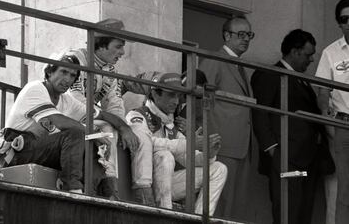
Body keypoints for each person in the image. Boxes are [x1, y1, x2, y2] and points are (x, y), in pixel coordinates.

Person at [0, 53, 136, 194]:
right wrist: (94, 134)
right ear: (50, 72)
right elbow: (59, 122)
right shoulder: (35, 88)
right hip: (20, 151)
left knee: (91, 145)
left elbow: (103, 114)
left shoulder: (67, 100)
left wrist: (124, 127)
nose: (67, 79)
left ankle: (95, 193)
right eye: (63, 72)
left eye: (72, 75)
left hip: (43, 150)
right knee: (76, 134)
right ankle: (73, 188)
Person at [251, 29, 334, 224]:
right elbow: (260, 113)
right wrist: (274, 152)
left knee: (303, 214)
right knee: (287, 212)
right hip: (287, 158)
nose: (311, 60)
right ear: (295, 52)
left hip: (308, 160)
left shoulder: (301, 80)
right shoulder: (270, 74)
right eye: (308, 55)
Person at [126, 72, 227, 215]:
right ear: (155, 94)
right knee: (165, 155)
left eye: (178, 96)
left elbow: (189, 159)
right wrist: (190, 144)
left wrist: (209, 152)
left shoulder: (172, 125)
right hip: (141, 187)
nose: (176, 101)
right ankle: (165, 215)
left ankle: (200, 219)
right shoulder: (137, 115)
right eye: (171, 95)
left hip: (165, 185)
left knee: (219, 168)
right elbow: (146, 142)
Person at [67, 18, 139, 199]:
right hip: (61, 122)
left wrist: (122, 126)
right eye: (118, 46)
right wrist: (118, 124)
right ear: (101, 45)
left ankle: (112, 184)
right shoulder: (75, 59)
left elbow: (114, 102)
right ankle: (109, 188)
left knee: (114, 128)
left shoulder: (110, 69)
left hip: (88, 120)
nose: (122, 52)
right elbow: (74, 103)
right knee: (106, 128)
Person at [198, 15, 254, 220]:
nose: (246, 39)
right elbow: (199, 97)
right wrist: (206, 137)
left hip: (242, 144)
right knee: (221, 201)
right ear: (227, 35)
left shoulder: (239, 65)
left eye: (249, 34)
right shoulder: (215, 60)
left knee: (236, 202)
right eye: (241, 34)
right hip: (222, 142)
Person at [315, 0, 349, 224]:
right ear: (339, 23)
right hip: (343, 125)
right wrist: (329, 126)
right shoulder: (331, 52)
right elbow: (322, 92)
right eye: (345, 19)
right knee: (344, 189)